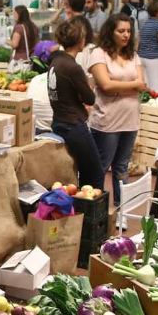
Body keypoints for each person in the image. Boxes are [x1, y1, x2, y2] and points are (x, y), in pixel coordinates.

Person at [89, 14, 146, 203]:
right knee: (101, 167)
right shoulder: (99, 53)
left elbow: (142, 84)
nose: (126, 35)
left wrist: (117, 86)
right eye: (121, 31)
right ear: (110, 31)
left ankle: (121, 208)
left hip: (130, 120)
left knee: (122, 168)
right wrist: (132, 85)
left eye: (129, 31)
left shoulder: (133, 55)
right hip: (107, 121)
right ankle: (95, 206)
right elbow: (105, 85)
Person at [48, 21, 102, 190]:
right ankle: (91, 213)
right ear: (81, 41)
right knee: (96, 172)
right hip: (73, 125)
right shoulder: (72, 67)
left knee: (83, 170)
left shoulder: (56, 62)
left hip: (59, 121)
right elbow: (90, 99)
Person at [137, 0, 158, 92]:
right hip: (155, 58)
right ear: (157, 12)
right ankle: (155, 105)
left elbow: (139, 41)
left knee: (145, 84)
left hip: (142, 57)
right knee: (156, 85)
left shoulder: (143, 24)